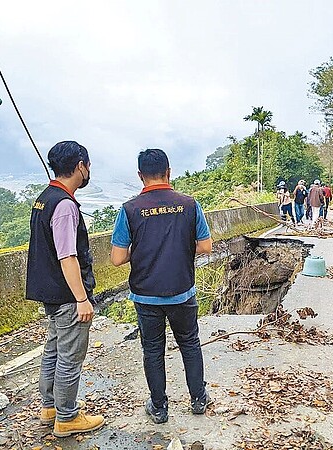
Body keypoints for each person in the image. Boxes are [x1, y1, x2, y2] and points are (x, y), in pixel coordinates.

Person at [110, 149, 213, 423]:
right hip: (182, 292)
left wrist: (142, 247)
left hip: (146, 296)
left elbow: (118, 258)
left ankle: (159, 407)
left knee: (153, 349)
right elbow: (205, 246)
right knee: (190, 343)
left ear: (141, 176)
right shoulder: (190, 204)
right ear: (169, 172)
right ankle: (198, 399)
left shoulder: (130, 209)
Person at [26, 141, 105, 437]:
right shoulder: (65, 205)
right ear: (80, 165)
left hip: (50, 293)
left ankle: (50, 407)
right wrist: (82, 299)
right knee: (70, 356)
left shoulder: (44, 199)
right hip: (68, 295)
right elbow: (67, 256)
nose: (88, 171)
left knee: (53, 350)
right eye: (88, 165)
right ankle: (67, 417)